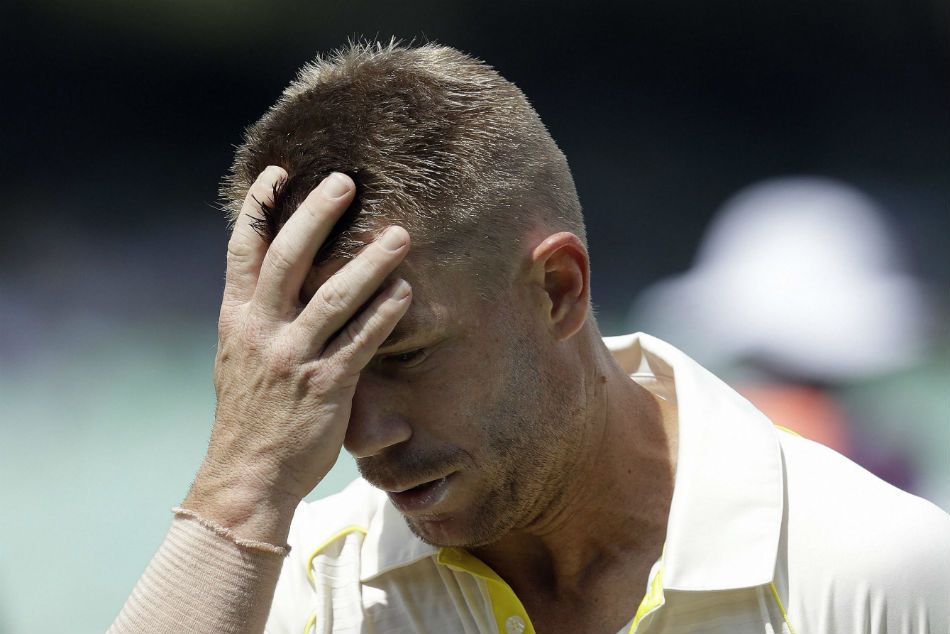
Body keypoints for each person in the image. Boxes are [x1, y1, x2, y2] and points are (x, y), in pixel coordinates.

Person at [109, 41, 949, 634]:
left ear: (559, 290)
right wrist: (238, 489)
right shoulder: (303, 589)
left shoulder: (881, 575)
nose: (363, 434)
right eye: (323, 371)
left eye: (403, 355)